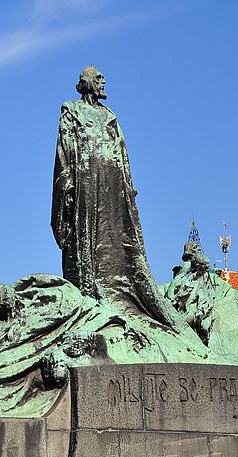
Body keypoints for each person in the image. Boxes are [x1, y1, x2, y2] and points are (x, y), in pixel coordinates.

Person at [52, 66, 180, 329]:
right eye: (98, 78)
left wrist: (128, 185)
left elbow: (122, 153)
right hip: (85, 181)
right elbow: (63, 150)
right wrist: (67, 182)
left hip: (112, 182)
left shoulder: (110, 116)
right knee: (86, 237)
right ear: (86, 83)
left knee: (117, 235)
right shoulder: (71, 111)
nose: (103, 81)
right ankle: (89, 290)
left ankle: (119, 292)